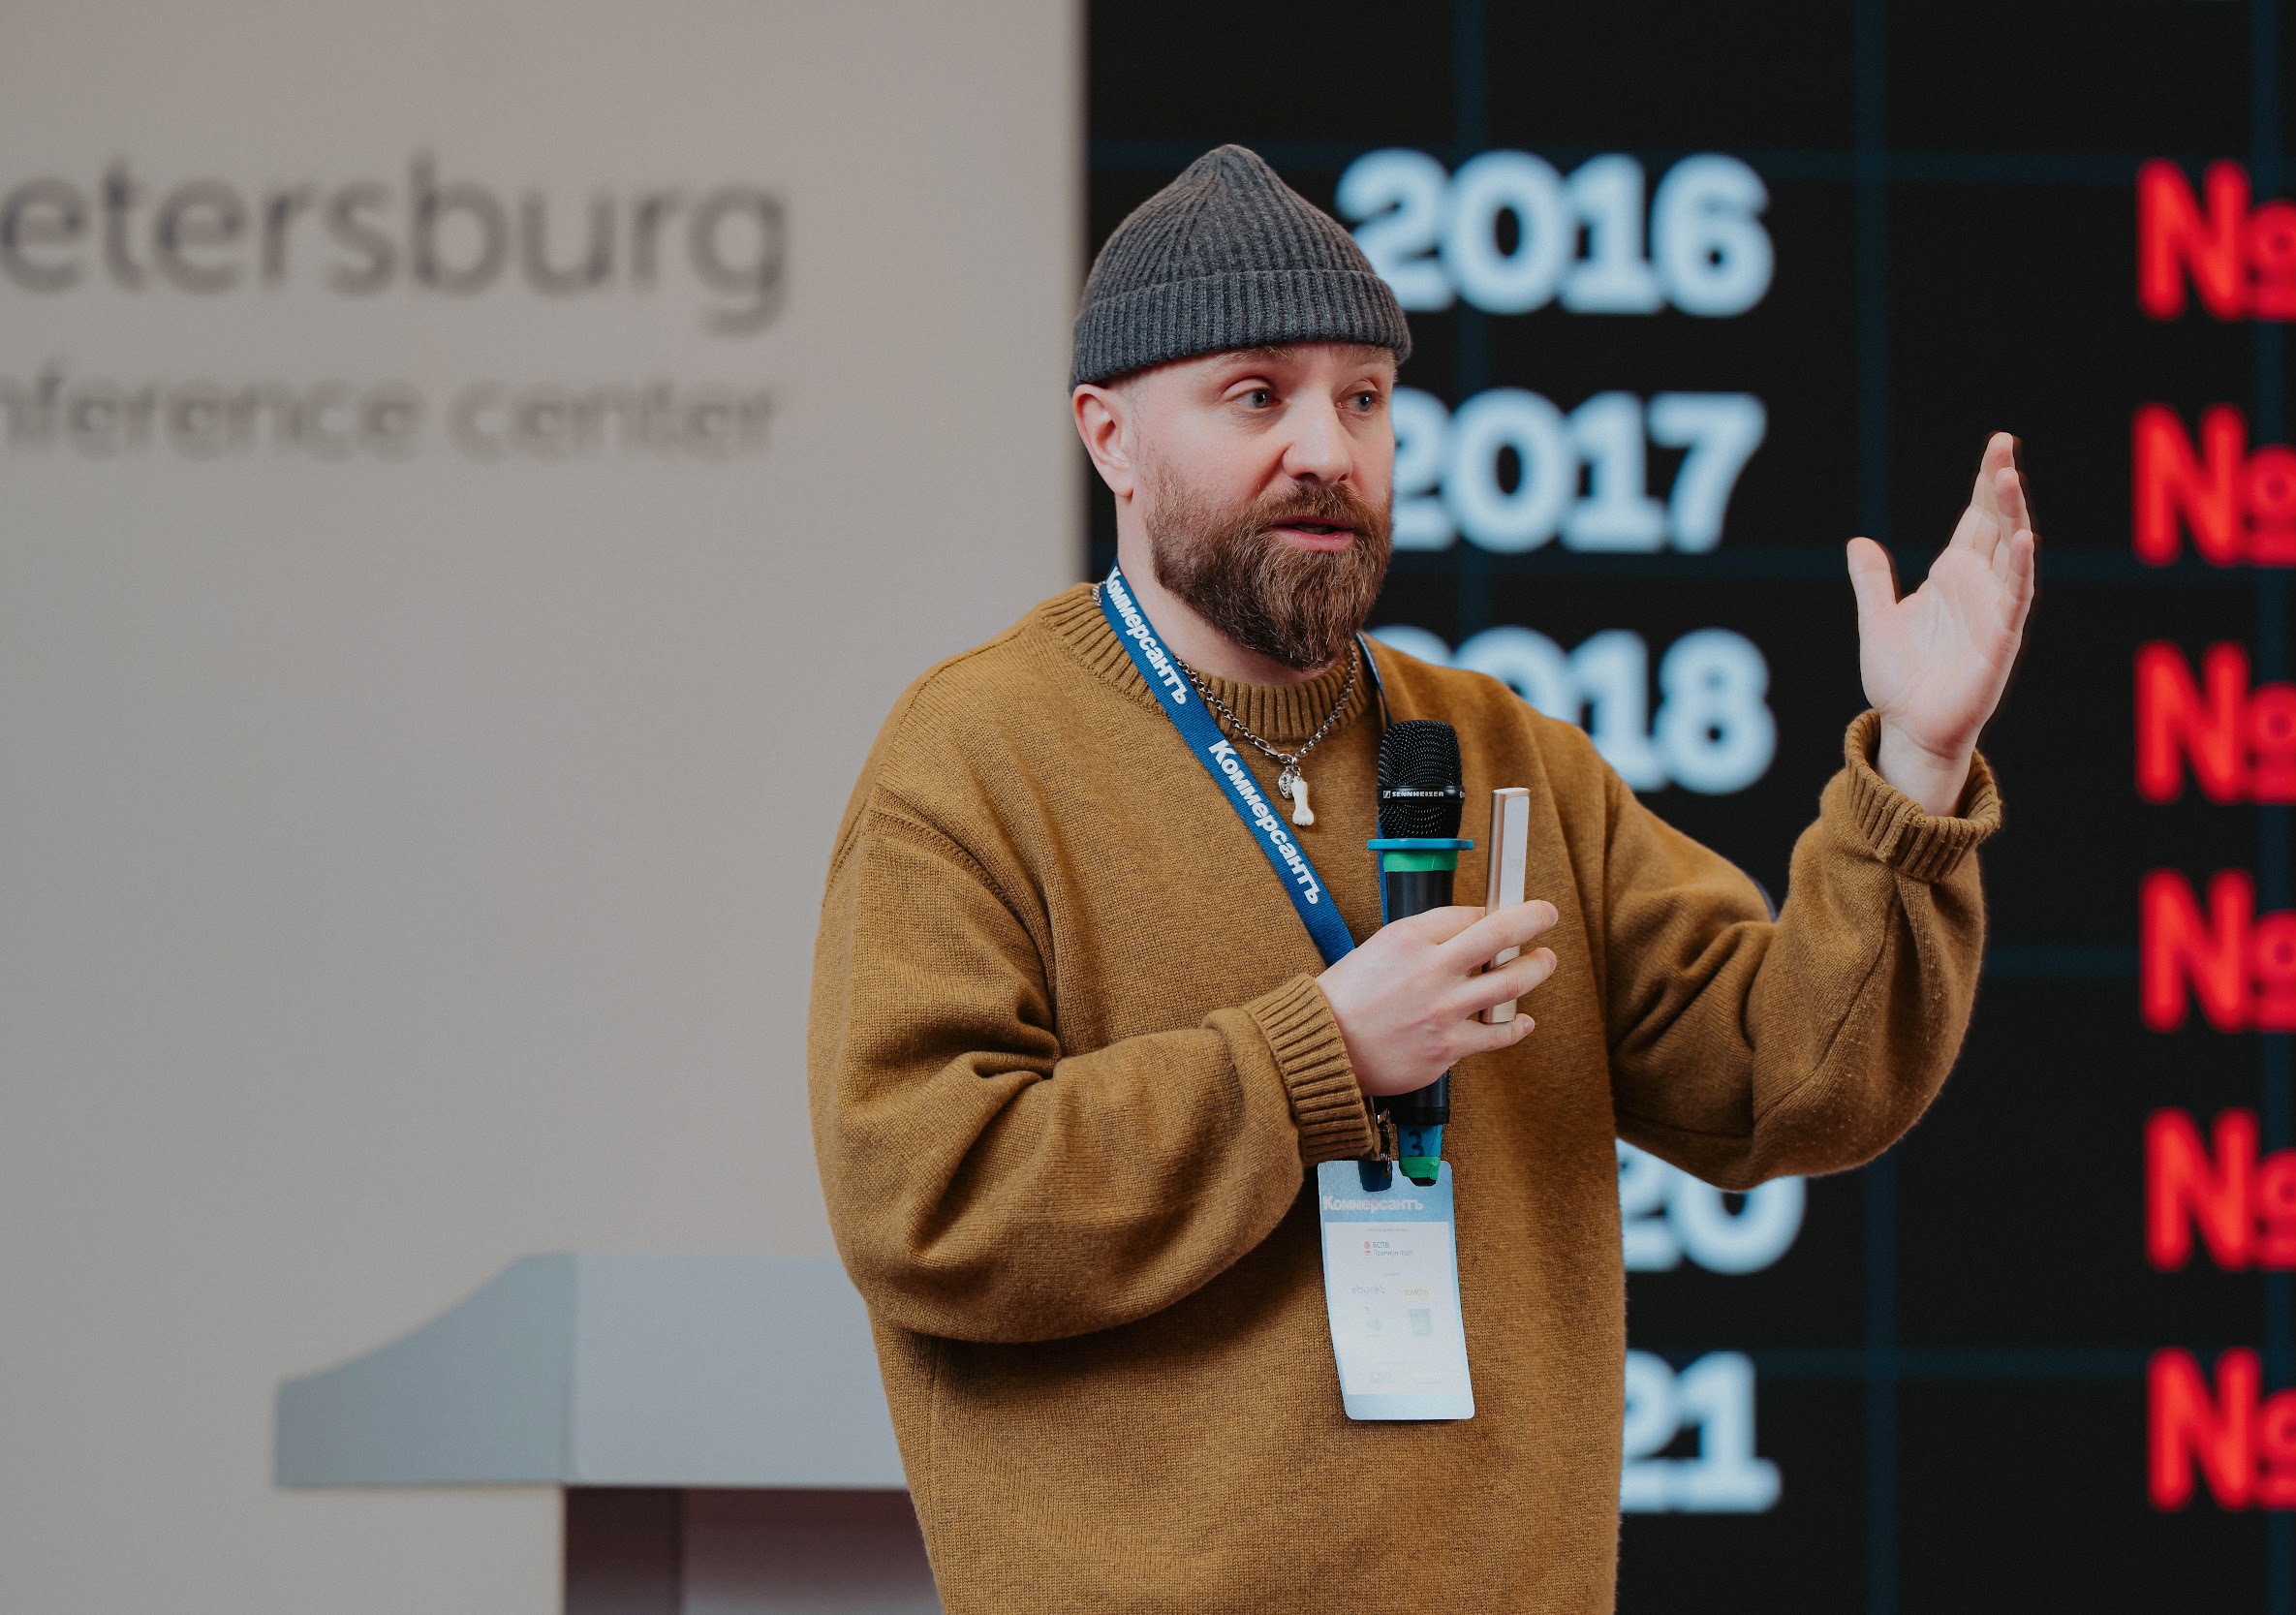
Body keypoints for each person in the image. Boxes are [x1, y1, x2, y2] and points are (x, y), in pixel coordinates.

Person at [807, 144, 2032, 1612]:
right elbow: (925, 1200)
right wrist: (1313, 1060)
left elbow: (1798, 1084)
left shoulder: (1507, 751)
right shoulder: (978, 755)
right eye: (1256, 395)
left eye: (1365, 398)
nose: (1327, 448)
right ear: (1110, 437)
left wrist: (1917, 767)